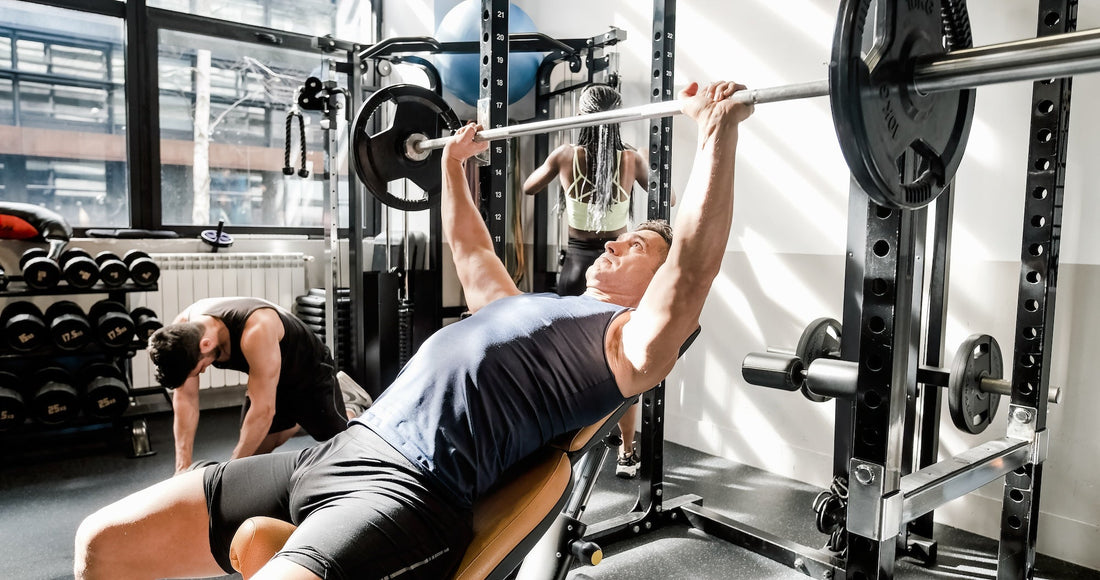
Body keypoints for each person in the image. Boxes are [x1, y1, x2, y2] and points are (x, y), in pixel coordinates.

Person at [73, 80, 752, 580]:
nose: (613, 245)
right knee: (101, 542)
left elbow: (691, 274)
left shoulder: (621, 345)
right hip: (336, 454)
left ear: (657, 280)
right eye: (620, 240)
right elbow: (472, 250)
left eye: (637, 248)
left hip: (409, 493)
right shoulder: (524, 304)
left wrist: (717, 134)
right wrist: (453, 168)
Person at [522, 83, 664, 479]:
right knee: (624, 358)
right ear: (616, 119)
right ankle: (627, 453)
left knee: (570, 358)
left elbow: (528, 187)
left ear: (581, 117)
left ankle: (567, 450)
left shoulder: (566, 155)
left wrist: (562, 173)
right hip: (617, 272)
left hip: (578, 270)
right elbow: (661, 196)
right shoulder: (631, 159)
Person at [147, 297, 366, 474]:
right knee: (253, 456)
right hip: (265, 377)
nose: (203, 371)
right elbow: (185, 399)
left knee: (343, 445)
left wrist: (227, 474)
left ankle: (352, 403)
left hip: (308, 370)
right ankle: (295, 418)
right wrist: (182, 468)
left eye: (200, 367)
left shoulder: (256, 329)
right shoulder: (182, 331)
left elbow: (263, 411)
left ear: (206, 344)